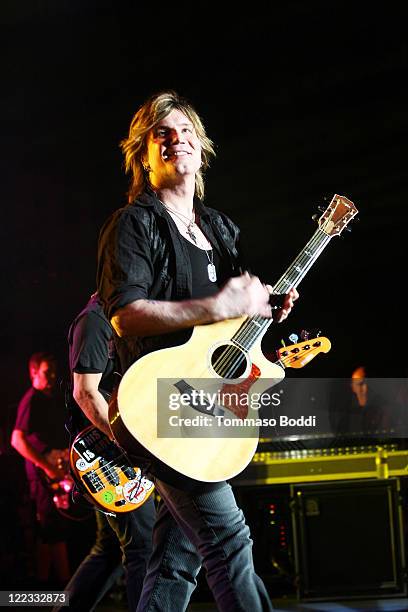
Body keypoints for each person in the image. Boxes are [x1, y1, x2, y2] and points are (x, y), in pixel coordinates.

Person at [96, 90, 298, 612]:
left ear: (201, 148)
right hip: (158, 405)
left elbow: (228, 323)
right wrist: (217, 305)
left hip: (207, 410)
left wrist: (261, 308)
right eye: (161, 133)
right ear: (143, 154)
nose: (175, 139)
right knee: (229, 541)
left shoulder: (221, 230)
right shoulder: (134, 225)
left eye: (185, 131)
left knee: (174, 561)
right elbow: (125, 313)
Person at [58, 292, 156, 611]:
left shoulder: (122, 323)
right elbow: (85, 394)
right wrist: (129, 442)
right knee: (143, 545)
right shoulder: (94, 321)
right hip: (107, 455)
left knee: (111, 550)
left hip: (117, 454)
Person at [11, 352, 71, 588]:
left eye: (54, 371)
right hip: (44, 476)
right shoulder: (31, 399)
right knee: (51, 527)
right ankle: (60, 586)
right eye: (47, 372)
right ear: (34, 373)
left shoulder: (51, 399)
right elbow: (17, 440)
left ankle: (45, 586)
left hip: (57, 470)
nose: (53, 376)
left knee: (52, 529)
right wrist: (47, 467)